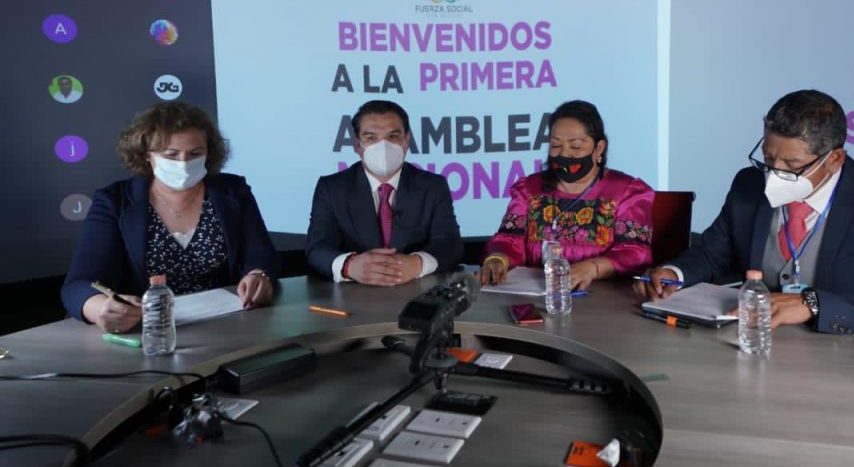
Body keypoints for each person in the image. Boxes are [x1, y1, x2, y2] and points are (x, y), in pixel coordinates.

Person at [635, 90, 854, 345]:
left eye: (793, 165)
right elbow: (713, 253)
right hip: (754, 346)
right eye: (768, 159)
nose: (774, 175)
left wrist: (813, 305)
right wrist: (675, 273)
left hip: (845, 360)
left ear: (834, 159)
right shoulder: (748, 185)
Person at [61, 102, 279, 333]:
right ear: (147, 155)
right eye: (171, 155)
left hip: (226, 323)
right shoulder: (115, 201)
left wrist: (259, 275)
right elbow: (78, 285)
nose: (184, 163)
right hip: (147, 331)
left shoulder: (232, 191)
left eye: (195, 153)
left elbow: (262, 254)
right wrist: (100, 308)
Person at [481, 100, 654, 290]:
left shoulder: (627, 192)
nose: (564, 154)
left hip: (604, 297)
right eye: (555, 145)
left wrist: (592, 268)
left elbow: (636, 253)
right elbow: (508, 240)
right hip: (539, 295)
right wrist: (498, 258)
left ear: (599, 148)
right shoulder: (528, 189)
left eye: (576, 146)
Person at [306, 100, 463, 285]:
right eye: (371, 138)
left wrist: (418, 263)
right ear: (357, 145)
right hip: (353, 295)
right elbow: (317, 249)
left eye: (393, 136)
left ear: (406, 141)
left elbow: (449, 244)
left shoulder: (433, 186)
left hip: (416, 292)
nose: (383, 146)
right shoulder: (332, 188)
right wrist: (349, 266)